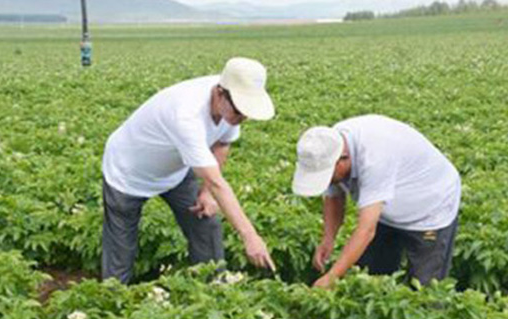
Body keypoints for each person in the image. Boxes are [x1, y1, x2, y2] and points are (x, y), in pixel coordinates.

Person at [102, 57, 276, 283]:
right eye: (239, 111)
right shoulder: (187, 114)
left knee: (206, 221)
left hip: (175, 168)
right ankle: (111, 299)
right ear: (220, 94)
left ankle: (213, 288)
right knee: (122, 247)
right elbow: (217, 183)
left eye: (247, 113)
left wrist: (205, 193)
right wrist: (250, 236)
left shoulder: (232, 96)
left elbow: (222, 144)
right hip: (129, 171)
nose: (242, 118)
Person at [292, 114, 461, 288]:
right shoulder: (327, 146)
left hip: (429, 207)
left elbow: (366, 230)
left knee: (426, 287)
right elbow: (334, 197)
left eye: (327, 176)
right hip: (385, 205)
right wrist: (328, 239)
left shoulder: (374, 158)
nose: (327, 181)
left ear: (342, 160)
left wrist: (332, 277)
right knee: (371, 277)